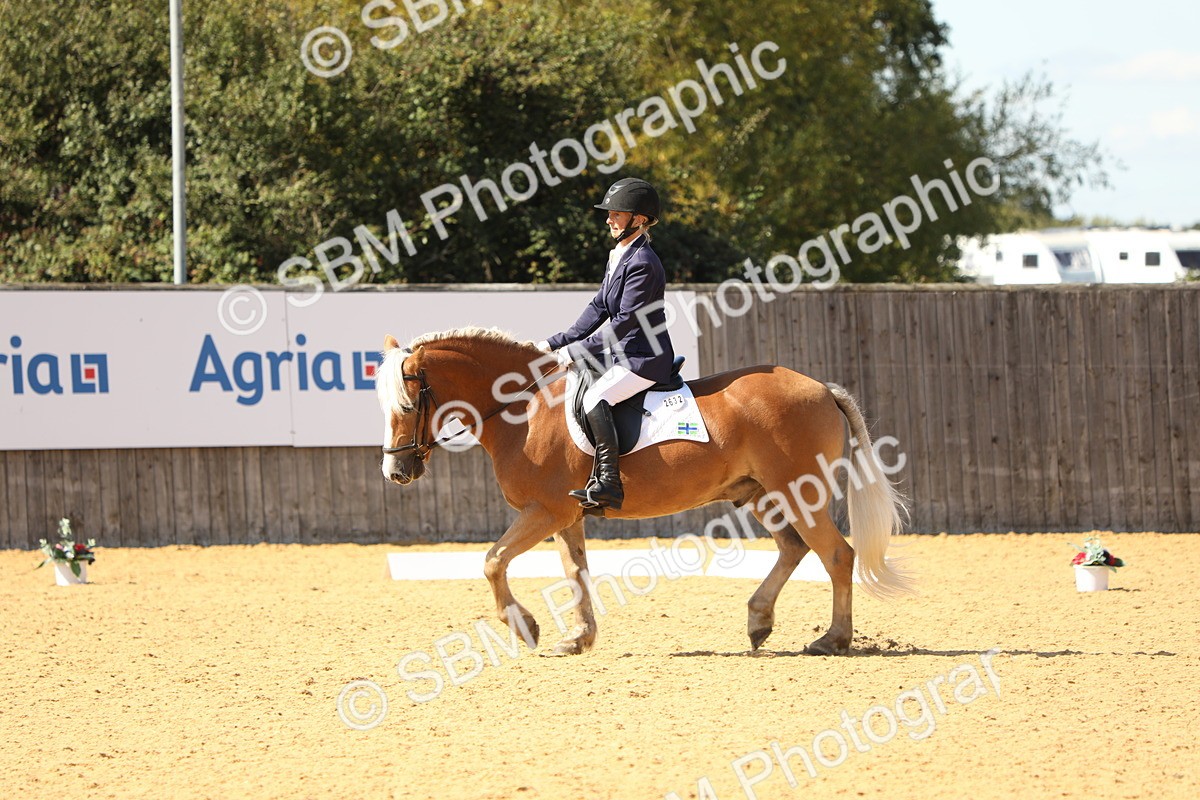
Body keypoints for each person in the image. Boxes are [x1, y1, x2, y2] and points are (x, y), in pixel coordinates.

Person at [537, 177, 675, 510]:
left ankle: (609, 483)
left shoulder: (643, 263)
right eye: (609, 214)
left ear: (638, 219)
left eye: (616, 214)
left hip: (645, 359)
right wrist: (552, 343)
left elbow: (623, 322)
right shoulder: (621, 255)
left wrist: (573, 352)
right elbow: (599, 307)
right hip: (624, 356)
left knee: (595, 397)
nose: (609, 220)